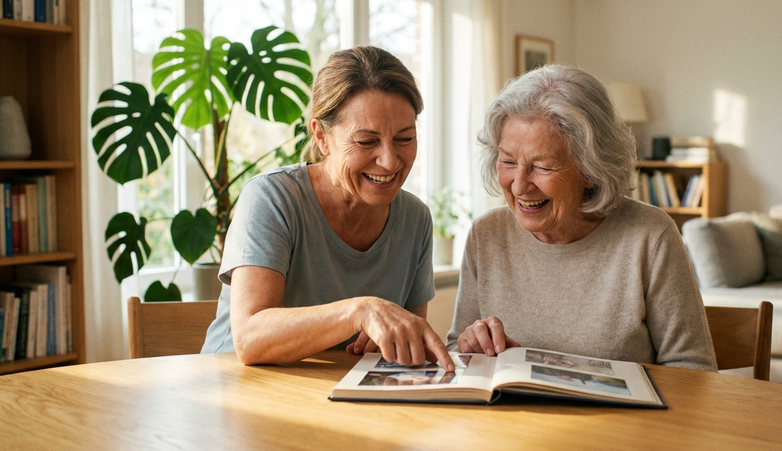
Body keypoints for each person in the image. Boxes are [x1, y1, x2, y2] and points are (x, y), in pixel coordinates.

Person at [445, 64, 716, 371]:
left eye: (542, 167)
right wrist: (470, 346)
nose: (519, 185)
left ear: (591, 169)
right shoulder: (487, 234)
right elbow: (456, 352)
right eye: (508, 161)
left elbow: (694, 371)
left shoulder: (650, 237)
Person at [201, 46, 453, 372]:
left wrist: (391, 338)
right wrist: (359, 312)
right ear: (321, 136)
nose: (390, 161)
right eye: (366, 141)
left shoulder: (415, 219)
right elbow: (249, 338)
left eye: (404, 138)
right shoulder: (272, 198)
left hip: (333, 397)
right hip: (235, 391)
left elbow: (406, 340)